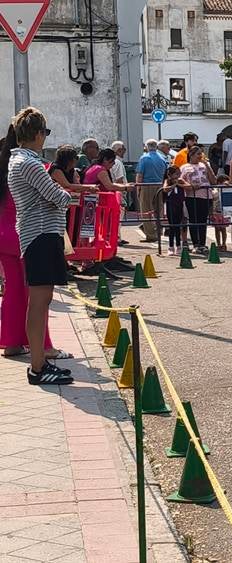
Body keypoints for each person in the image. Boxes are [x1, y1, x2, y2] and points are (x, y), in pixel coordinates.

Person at [8, 108, 92, 384]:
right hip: (41, 235)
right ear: (37, 133)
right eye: (45, 133)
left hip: (37, 234)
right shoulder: (30, 163)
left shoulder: (18, 159)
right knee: (39, 302)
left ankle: (40, 363)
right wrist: (71, 197)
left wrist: (64, 196)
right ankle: (37, 367)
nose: (45, 138)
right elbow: (55, 194)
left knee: (40, 302)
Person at [1, 126, 80, 364]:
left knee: (13, 291)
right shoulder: (31, 165)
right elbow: (54, 196)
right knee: (38, 297)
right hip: (28, 233)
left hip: (4, 235)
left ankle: (12, 342)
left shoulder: (7, 165)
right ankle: (44, 347)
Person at [179, 145, 217, 253]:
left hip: (205, 196)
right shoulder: (185, 167)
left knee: (202, 220)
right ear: (191, 155)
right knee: (193, 220)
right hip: (192, 196)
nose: (200, 156)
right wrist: (189, 186)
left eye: (201, 154)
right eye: (198, 154)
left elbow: (213, 180)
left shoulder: (205, 165)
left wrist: (207, 165)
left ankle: (202, 244)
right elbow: (180, 180)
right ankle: (196, 243)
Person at [135, 139, 168, 242]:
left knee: (146, 210)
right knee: (158, 210)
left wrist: (138, 188)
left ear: (146, 147)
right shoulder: (162, 158)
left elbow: (140, 175)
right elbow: (165, 174)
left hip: (146, 185)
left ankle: (150, 235)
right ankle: (158, 232)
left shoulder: (144, 158)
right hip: (159, 185)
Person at [161, 165, 188, 256]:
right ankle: (171, 246)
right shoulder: (167, 181)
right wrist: (173, 185)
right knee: (172, 226)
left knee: (178, 225)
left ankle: (178, 245)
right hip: (170, 205)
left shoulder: (180, 181)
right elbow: (165, 189)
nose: (178, 175)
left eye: (179, 173)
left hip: (179, 205)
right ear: (170, 175)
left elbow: (188, 186)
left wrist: (179, 184)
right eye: (176, 173)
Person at [210, 172, 230, 250]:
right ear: (218, 183)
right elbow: (213, 199)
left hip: (224, 212)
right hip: (216, 212)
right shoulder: (214, 191)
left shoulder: (227, 190)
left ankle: (224, 244)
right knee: (217, 229)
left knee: (223, 229)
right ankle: (218, 244)